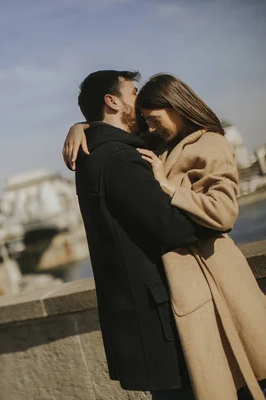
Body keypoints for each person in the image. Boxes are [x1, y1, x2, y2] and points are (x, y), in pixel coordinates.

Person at [64, 73, 266, 400]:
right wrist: (83, 126)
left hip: (219, 281)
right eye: (133, 94)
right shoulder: (139, 148)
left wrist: (171, 189)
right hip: (189, 293)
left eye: (153, 116)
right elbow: (168, 226)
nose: (147, 121)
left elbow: (224, 213)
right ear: (112, 101)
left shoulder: (206, 142)